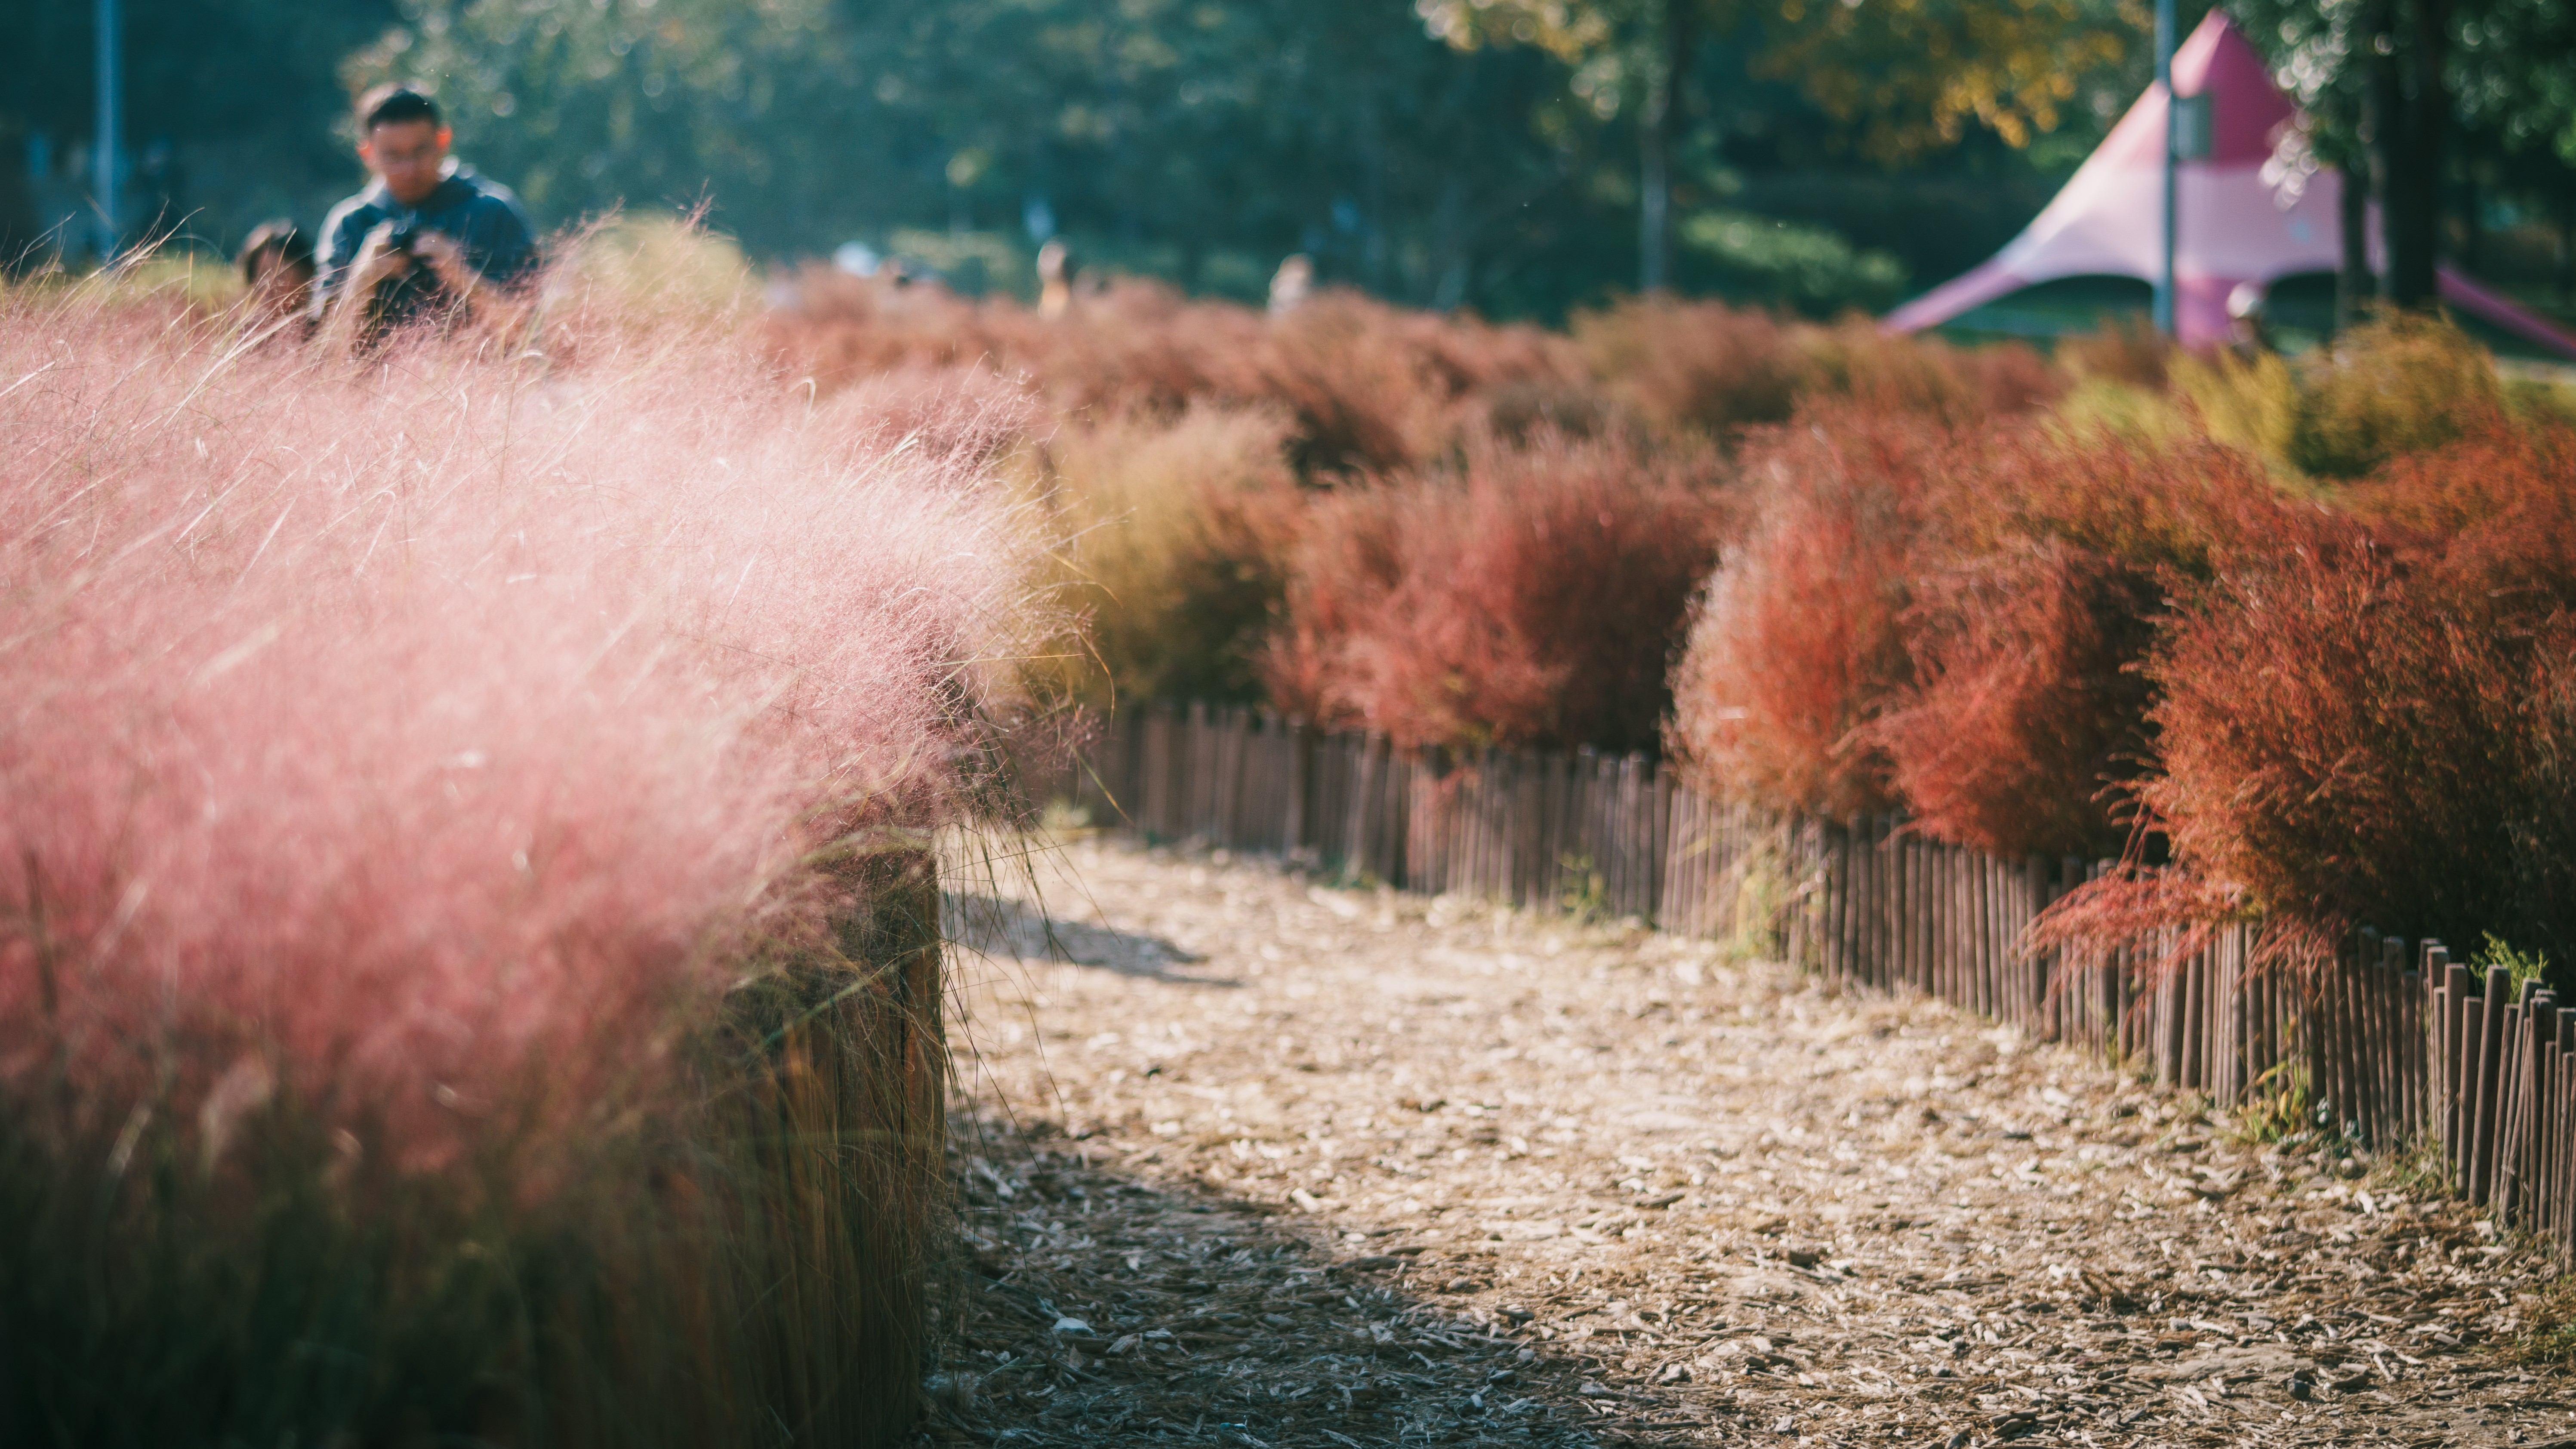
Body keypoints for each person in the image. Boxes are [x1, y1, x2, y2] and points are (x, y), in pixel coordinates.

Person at [313, 86, 537, 345]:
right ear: (367, 154)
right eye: (393, 156)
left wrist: (460, 274)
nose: (409, 170)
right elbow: (320, 356)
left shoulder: (492, 212)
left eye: (420, 151)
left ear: (443, 141)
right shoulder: (350, 224)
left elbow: (531, 333)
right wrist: (363, 279)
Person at [235, 219, 315, 327]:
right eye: (260, 275)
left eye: (279, 273)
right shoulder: (248, 335)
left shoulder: (328, 325)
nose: (267, 284)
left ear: (305, 271)